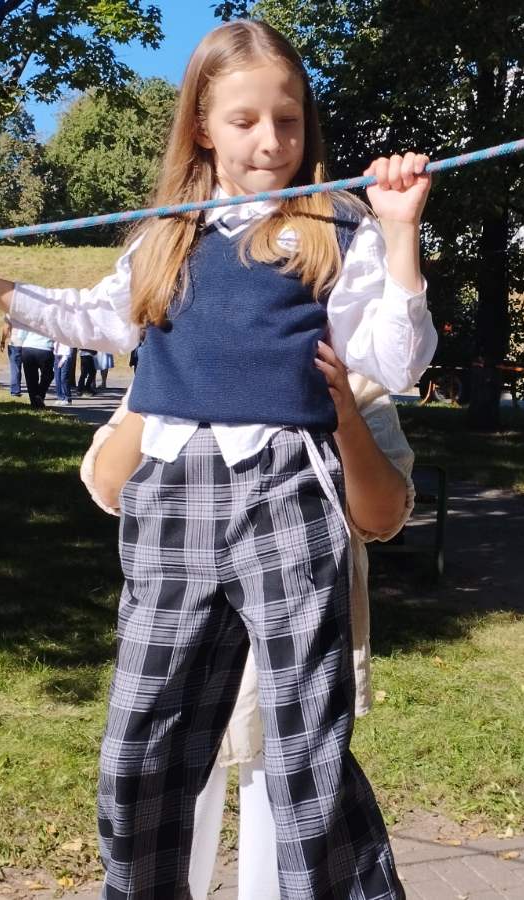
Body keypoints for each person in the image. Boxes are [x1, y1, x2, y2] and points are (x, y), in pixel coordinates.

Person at [0, 20, 434, 898]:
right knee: (140, 740)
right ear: (201, 126)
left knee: (305, 744)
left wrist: (400, 229)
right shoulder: (168, 233)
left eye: (289, 121)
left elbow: (399, 361)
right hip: (173, 496)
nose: (271, 142)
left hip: (289, 491)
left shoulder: (337, 227)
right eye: (245, 121)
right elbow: (90, 317)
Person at [83, 349, 416, 900]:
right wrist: (164, 378)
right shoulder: (181, 360)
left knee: (293, 839)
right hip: (182, 670)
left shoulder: (345, 372)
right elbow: (110, 483)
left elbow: (382, 514)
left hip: (284, 669)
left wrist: (342, 415)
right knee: (156, 818)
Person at [15, 324, 56, 408]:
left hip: (28, 347)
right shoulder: (52, 319)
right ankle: (40, 394)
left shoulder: (29, 318)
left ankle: (34, 403)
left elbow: (20, 335)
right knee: (48, 374)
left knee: (31, 378)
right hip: (45, 348)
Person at [0, 318, 24, 397]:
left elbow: (6, 327)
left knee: (15, 367)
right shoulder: (30, 312)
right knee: (30, 368)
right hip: (28, 344)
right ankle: (34, 389)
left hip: (15, 343)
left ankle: (15, 390)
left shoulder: (10, 313)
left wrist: (3, 341)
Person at [53, 340, 76, 405]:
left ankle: (67, 399)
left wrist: (63, 359)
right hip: (57, 356)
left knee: (64, 378)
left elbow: (69, 349)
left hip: (65, 355)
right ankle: (60, 397)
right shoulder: (56, 336)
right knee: (57, 378)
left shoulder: (66, 336)